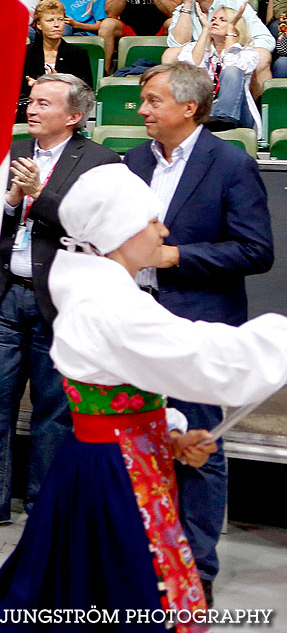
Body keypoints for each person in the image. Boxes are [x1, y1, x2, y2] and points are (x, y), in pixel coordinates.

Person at [0, 164, 287, 628]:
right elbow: (205, 357)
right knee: (120, 591)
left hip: (116, 461)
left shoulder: (100, 291)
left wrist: (170, 433)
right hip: (114, 476)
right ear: (118, 232)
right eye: (151, 220)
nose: (164, 229)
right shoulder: (110, 305)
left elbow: (118, 395)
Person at [121, 62, 275, 598]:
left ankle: (194, 570)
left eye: (152, 100)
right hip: (133, 326)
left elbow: (257, 251)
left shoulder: (230, 164)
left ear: (189, 108)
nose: (140, 110)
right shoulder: (133, 160)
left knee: (198, 449)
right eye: (142, 100)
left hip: (200, 327)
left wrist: (175, 255)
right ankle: (142, 556)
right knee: (139, 445)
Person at [0, 74, 117, 534]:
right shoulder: (9, 152)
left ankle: (46, 506)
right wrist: (11, 198)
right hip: (6, 296)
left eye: (45, 103)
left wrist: (40, 196)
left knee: (52, 412)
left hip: (58, 303)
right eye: (32, 100)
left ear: (74, 116)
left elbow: (98, 228)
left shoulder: (99, 162)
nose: (33, 108)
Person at [163, 7, 265, 133]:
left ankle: (222, 119)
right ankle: (214, 120)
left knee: (232, 70)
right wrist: (205, 29)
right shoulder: (195, 48)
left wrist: (230, 30)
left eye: (222, 20)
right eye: (213, 19)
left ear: (235, 27)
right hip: (206, 110)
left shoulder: (248, 52)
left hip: (239, 113)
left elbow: (232, 65)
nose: (215, 22)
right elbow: (190, 70)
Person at [18, 0, 94, 121]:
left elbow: (86, 92)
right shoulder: (25, 54)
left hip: (65, 115)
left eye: (60, 20)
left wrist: (60, 83)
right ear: (39, 24)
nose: (56, 25)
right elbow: (14, 91)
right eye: (50, 20)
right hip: (28, 114)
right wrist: (35, 88)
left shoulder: (78, 54)